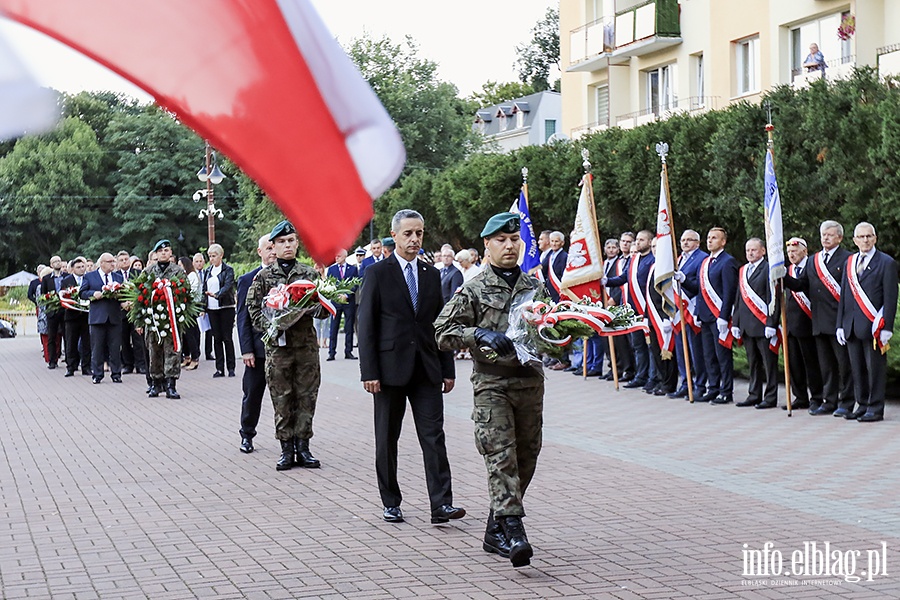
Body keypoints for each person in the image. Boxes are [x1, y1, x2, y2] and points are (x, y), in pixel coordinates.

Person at [435, 211, 544, 569]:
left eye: (514, 240)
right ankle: (513, 530)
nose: (509, 246)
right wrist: (477, 334)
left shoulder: (534, 287)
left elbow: (549, 328)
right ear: (487, 245)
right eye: (501, 240)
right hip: (492, 384)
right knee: (501, 456)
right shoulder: (475, 288)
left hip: (529, 382)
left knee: (527, 456)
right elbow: (442, 331)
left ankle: (494, 528)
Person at [357, 209, 463, 527]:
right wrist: (369, 372)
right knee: (387, 438)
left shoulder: (432, 274)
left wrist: (448, 368)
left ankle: (441, 505)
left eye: (419, 233)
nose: (415, 239)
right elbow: (366, 327)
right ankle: (391, 502)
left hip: (427, 369)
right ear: (395, 236)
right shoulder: (378, 273)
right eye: (408, 233)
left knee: (434, 436)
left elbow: (438, 325)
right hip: (389, 371)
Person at [246, 221, 323, 470]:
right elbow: (253, 308)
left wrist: (319, 305)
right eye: (281, 242)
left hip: (306, 348)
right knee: (281, 398)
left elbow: (322, 310)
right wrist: (270, 326)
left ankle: (304, 447)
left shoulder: (309, 274)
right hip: (278, 350)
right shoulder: (264, 276)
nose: (287, 245)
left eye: (291, 241)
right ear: (273, 247)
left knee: (306, 396)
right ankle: (286, 449)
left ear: (297, 244)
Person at [783, 220, 852, 416]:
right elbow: (801, 285)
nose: (826, 238)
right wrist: (783, 275)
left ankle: (846, 402)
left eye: (830, 235)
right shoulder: (815, 260)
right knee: (826, 366)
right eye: (823, 235)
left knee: (844, 365)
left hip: (839, 321)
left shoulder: (848, 258)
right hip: (819, 321)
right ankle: (829, 401)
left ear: (839, 237)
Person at [836, 222, 897, 422]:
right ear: (854, 240)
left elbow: (890, 297)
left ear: (875, 238)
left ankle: (875, 407)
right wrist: (840, 324)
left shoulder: (886, 262)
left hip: (874, 328)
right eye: (861, 237)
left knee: (875, 369)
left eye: (869, 236)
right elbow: (844, 295)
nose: (865, 240)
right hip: (852, 326)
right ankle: (861, 404)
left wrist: (886, 326)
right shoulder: (850, 262)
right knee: (857, 369)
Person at [677, 227, 739, 404]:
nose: (710, 240)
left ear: (723, 242)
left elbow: (729, 292)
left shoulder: (727, 262)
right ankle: (713, 388)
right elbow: (699, 290)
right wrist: (684, 281)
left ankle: (726, 391)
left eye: (714, 238)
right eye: (709, 237)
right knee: (709, 356)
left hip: (718, 316)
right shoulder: (706, 262)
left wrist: (724, 316)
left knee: (722, 356)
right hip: (704, 316)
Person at [236, 234, 277, 454]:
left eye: (274, 247)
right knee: (252, 394)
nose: (272, 251)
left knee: (286, 396)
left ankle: (291, 441)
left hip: (282, 349)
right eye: (268, 248)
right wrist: (247, 350)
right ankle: (247, 434)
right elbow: (242, 317)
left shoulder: (287, 278)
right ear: (259, 252)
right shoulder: (247, 279)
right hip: (258, 350)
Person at [603, 230, 655, 390]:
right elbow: (623, 278)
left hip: (647, 309)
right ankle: (640, 375)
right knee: (637, 346)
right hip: (634, 310)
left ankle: (652, 377)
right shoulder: (634, 259)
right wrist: (606, 281)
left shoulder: (652, 260)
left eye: (641, 240)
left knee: (650, 347)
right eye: (637, 240)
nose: (638, 242)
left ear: (649, 241)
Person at [731, 238, 780, 409]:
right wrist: (735, 323)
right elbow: (739, 299)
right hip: (746, 325)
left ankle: (771, 396)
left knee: (769, 364)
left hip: (763, 325)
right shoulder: (743, 270)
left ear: (763, 251)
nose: (750, 253)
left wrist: (771, 323)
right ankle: (754, 394)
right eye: (748, 250)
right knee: (753, 363)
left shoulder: (769, 269)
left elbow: (774, 299)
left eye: (754, 250)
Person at [781, 237, 823, 411]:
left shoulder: (812, 267)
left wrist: (783, 275)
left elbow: (800, 285)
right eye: (789, 252)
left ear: (805, 251)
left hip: (807, 323)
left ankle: (817, 397)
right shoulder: (789, 269)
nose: (791, 255)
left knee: (811, 364)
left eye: (795, 251)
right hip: (791, 325)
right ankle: (800, 397)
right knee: (794, 364)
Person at [142, 240, 187, 399]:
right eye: (160, 251)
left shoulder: (178, 271)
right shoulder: (148, 271)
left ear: (170, 253)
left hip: (172, 320)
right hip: (153, 320)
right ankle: (155, 383)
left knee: (173, 351)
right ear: (155, 254)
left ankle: (171, 384)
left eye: (166, 250)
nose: (163, 253)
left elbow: (185, 292)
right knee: (154, 350)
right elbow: (140, 295)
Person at [669, 230, 708, 399]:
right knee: (681, 350)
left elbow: (701, 286)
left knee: (695, 352)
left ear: (697, 243)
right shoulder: (679, 259)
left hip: (692, 311)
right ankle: (686, 383)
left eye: (689, 240)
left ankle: (700, 385)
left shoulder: (702, 258)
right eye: (683, 240)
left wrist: (684, 280)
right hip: (679, 312)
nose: (685, 243)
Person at [79, 252, 125, 384]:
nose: (113, 264)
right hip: (98, 317)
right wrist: (94, 293)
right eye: (110, 262)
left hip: (114, 316)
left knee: (115, 347)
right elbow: (82, 293)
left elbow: (123, 294)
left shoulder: (118, 276)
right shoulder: (90, 276)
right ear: (102, 263)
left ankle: (116, 373)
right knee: (97, 347)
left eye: (113, 261)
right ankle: (97, 374)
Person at [645, 239, 677, 396]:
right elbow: (649, 294)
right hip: (652, 316)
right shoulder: (653, 266)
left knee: (667, 352)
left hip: (663, 317)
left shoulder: (668, 267)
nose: (654, 250)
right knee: (656, 351)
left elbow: (668, 294)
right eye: (652, 247)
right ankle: (661, 380)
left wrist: (667, 316)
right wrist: (645, 316)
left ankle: (669, 384)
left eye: (657, 246)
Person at [203, 243, 237, 377]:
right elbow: (203, 289)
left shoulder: (228, 270)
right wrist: (203, 306)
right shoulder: (207, 271)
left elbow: (228, 286)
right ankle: (219, 368)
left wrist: (217, 294)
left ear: (221, 256)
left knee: (227, 338)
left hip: (225, 307)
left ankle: (231, 367)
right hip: (212, 308)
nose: (212, 259)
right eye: (210, 256)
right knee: (216, 338)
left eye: (214, 256)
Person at [60, 257, 91, 377]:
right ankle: (71, 367)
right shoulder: (66, 280)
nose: (81, 269)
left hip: (86, 315)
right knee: (71, 342)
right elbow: (63, 295)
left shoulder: (89, 279)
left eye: (83, 266)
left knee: (86, 342)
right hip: (71, 316)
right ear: (72, 269)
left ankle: (86, 367)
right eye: (78, 267)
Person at [326, 248, 359, 361]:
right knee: (333, 327)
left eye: (339, 256)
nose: (336, 258)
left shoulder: (353, 269)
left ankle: (348, 351)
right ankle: (331, 352)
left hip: (348, 301)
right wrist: (336, 295)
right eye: (335, 256)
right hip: (336, 302)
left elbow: (355, 283)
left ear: (345, 256)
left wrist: (347, 295)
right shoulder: (331, 269)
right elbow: (329, 284)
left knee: (349, 327)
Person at [40, 255, 66, 368]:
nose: (57, 263)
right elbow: (43, 295)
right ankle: (52, 360)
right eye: (55, 262)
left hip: (65, 309)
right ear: (51, 265)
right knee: (52, 336)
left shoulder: (66, 277)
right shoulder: (46, 279)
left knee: (67, 336)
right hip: (52, 310)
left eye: (59, 261)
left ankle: (70, 360)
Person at [179, 256, 202, 370]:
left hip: (190, 307)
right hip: (184, 307)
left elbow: (192, 291)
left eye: (180, 265)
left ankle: (195, 358)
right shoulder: (184, 276)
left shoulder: (192, 275)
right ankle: (187, 356)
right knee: (185, 334)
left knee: (191, 333)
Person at [194, 252, 214, 361]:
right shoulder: (192, 275)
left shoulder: (207, 273)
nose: (199, 263)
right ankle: (196, 351)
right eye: (196, 261)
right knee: (196, 329)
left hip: (206, 303)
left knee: (209, 330)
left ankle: (208, 352)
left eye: (200, 261)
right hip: (196, 304)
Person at [541, 231, 567, 302]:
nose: (554, 244)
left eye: (556, 241)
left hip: (558, 292)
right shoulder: (549, 255)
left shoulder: (564, 257)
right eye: (552, 241)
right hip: (549, 293)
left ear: (562, 243)